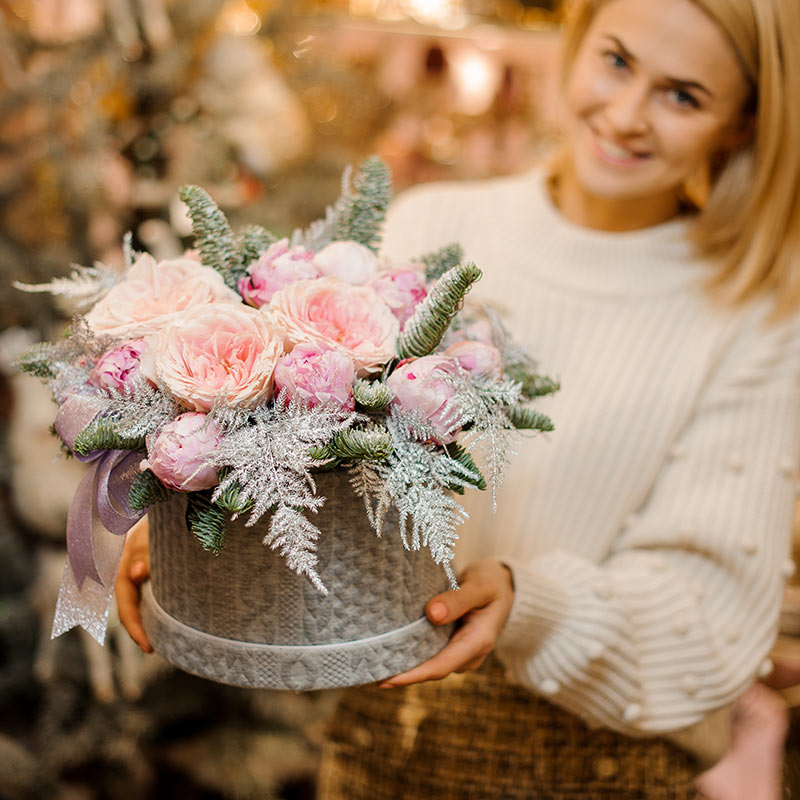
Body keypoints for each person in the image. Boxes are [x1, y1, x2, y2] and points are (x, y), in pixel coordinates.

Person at [117, 0, 800, 796]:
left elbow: (709, 614)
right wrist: (205, 535)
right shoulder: (434, 226)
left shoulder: (756, 311)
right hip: (376, 746)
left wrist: (527, 601)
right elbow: (328, 469)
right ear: (577, 44)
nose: (624, 115)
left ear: (744, 123)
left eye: (683, 95)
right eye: (616, 60)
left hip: (595, 769)